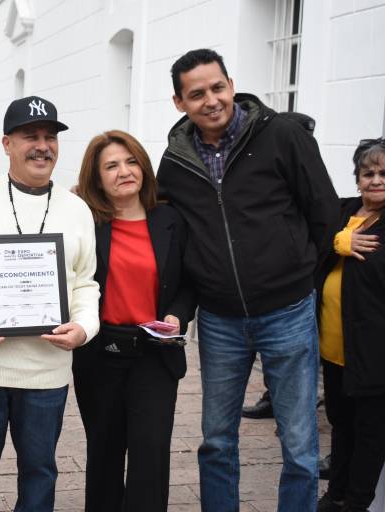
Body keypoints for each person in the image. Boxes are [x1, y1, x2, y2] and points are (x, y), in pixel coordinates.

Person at [156, 48, 339, 511]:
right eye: (196, 94)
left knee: (299, 443)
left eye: (218, 87)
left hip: (288, 313)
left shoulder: (281, 135)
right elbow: (166, 228)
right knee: (217, 440)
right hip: (220, 320)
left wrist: (298, 277)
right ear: (180, 102)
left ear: (231, 84)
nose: (211, 100)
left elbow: (323, 212)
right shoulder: (175, 162)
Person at [0, 95, 100, 511]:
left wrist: (84, 327)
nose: (42, 146)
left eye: (50, 137)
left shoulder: (77, 209)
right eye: (30, 136)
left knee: (40, 471)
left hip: (46, 372)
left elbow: (86, 284)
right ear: (7, 143)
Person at [72, 130, 195, 511]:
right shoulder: (84, 221)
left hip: (155, 355)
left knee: (150, 453)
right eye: (111, 165)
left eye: (131, 162)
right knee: (105, 452)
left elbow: (188, 281)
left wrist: (177, 314)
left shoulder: (170, 219)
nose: (124, 171)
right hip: (100, 354)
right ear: (97, 177)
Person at [317, 137, 385, 512]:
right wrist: (340, 240)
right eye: (368, 172)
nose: (375, 180)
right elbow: (312, 242)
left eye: (383, 173)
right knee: (340, 423)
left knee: (370, 432)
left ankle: (357, 503)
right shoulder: (342, 212)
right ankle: (335, 494)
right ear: (357, 179)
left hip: (374, 350)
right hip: (333, 347)